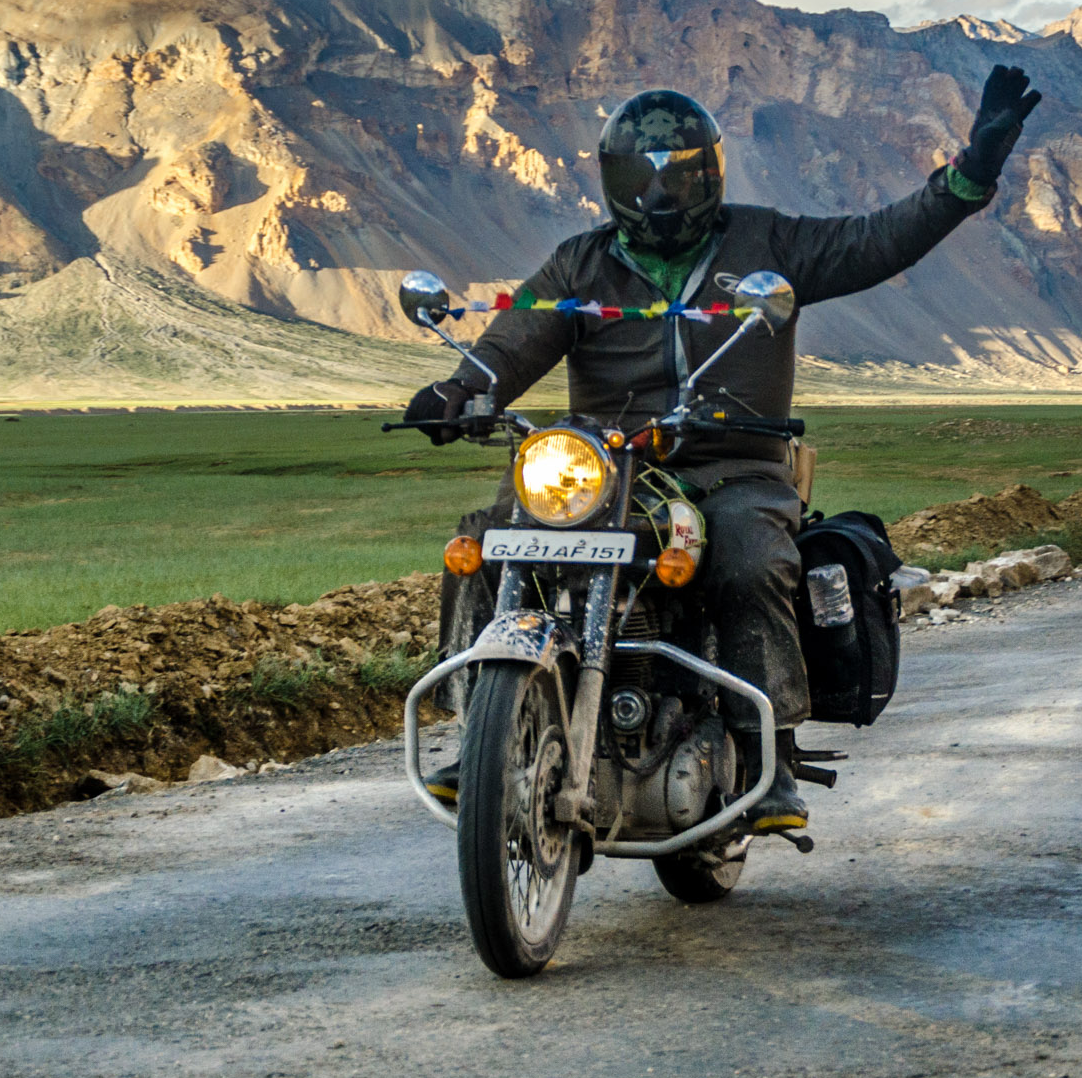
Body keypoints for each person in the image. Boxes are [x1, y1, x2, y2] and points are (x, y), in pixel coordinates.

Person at [405, 66, 1042, 835]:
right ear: (612, 181)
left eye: (677, 174)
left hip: (732, 463)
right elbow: (515, 337)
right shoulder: (582, 263)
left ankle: (764, 746)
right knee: (488, 536)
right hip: (606, 471)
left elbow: (878, 239)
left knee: (746, 554)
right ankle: (479, 731)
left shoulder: (765, 242)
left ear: (708, 170)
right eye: (640, 176)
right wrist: (459, 390)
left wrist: (970, 174)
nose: (659, 194)